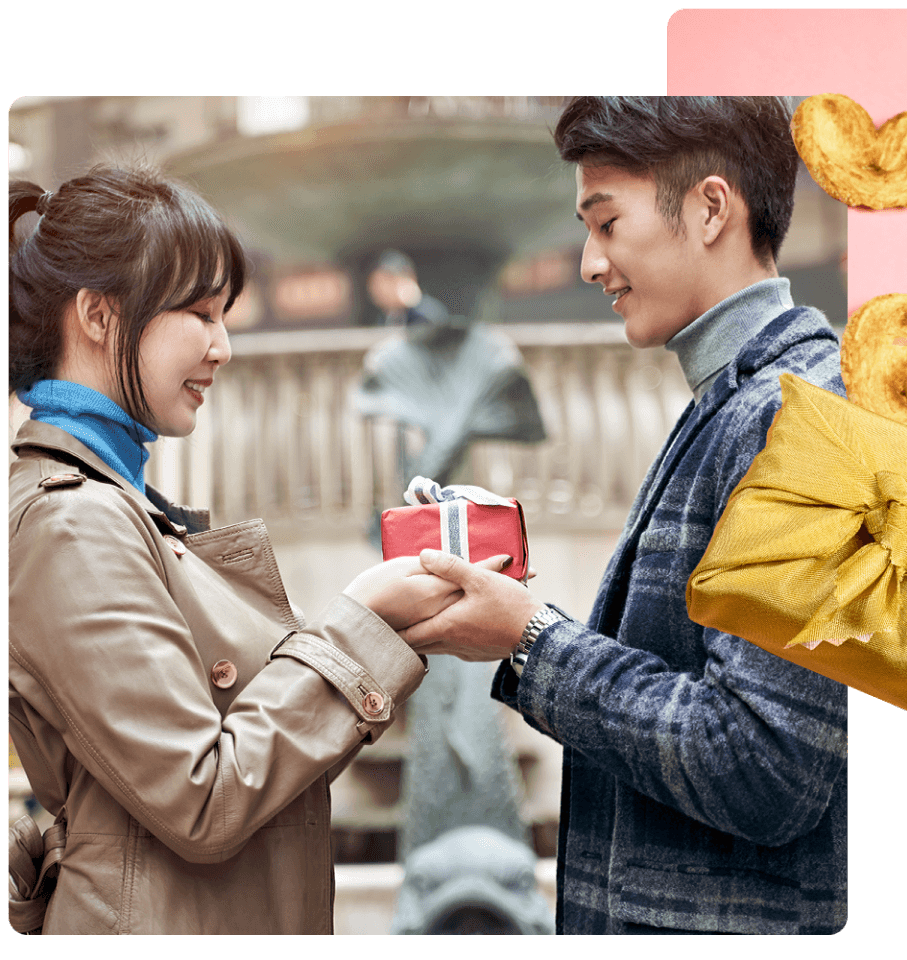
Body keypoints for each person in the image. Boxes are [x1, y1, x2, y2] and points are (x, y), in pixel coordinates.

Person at [403, 97, 849, 934]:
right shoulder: (738, 402)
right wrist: (525, 619)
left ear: (712, 207)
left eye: (607, 223)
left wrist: (531, 639)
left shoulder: (794, 415)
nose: (588, 263)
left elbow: (763, 764)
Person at [7, 165, 476, 934]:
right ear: (96, 314)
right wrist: (363, 623)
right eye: (199, 312)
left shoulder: (116, 504)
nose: (222, 348)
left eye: (224, 315)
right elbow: (203, 796)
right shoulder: (73, 524)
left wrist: (383, 625)